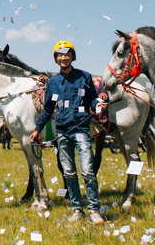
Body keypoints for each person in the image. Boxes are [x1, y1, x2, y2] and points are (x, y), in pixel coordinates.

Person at [30, 41, 104, 225]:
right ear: (56, 59)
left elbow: (92, 99)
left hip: (81, 130)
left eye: (67, 54)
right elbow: (48, 109)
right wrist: (38, 129)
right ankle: (77, 210)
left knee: (87, 171)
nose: (63, 58)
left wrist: (97, 105)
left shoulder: (84, 77)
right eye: (59, 55)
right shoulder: (53, 83)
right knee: (69, 172)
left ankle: (94, 211)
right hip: (62, 132)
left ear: (73, 56)